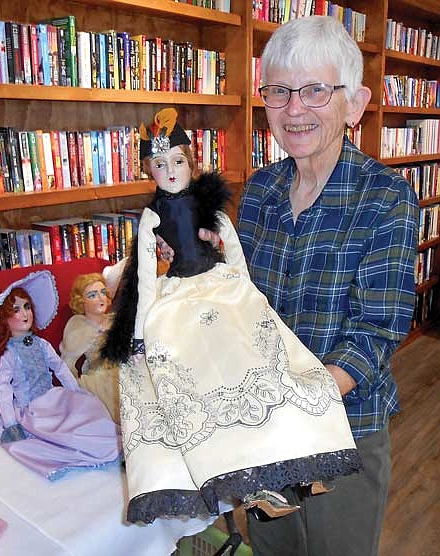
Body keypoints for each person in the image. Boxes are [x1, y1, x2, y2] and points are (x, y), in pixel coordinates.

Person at [101, 107, 361, 526]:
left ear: (192, 162)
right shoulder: (151, 217)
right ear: (149, 169)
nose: (170, 171)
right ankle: (246, 478)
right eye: (160, 164)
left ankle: (308, 460)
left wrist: (248, 295)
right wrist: (138, 331)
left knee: (275, 365)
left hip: (223, 287)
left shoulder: (209, 205)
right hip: (180, 294)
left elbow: (234, 247)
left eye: (178, 162)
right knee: (199, 379)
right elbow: (146, 276)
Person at [237, 15, 419, 556]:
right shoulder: (259, 190)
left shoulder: (386, 197)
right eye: (279, 91)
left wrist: (293, 400)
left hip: (346, 430)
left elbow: (376, 333)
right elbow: (240, 305)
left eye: (316, 90)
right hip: (265, 425)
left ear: (355, 104)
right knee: (272, 547)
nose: (295, 109)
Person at [0, 270, 122, 480]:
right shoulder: (10, 355)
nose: (25, 314)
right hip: (32, 408)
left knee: (88, 408)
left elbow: (59, 367)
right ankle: (92, 450)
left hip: (53, 397)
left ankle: (114, 443)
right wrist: (10, 422)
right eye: (16, 309)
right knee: (59, 432)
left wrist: (75, 391)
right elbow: (2, 389)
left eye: (27, 307)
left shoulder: (42, 345)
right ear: (5, 320)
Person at [60, 273, 120, 423]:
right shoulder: (78, 327)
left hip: (122, 375)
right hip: (98, 381)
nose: (100, 298)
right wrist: (75, 391)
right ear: (82, 302)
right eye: (92, 295)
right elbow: (66, 365)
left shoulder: (115, 321)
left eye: (103, 292)